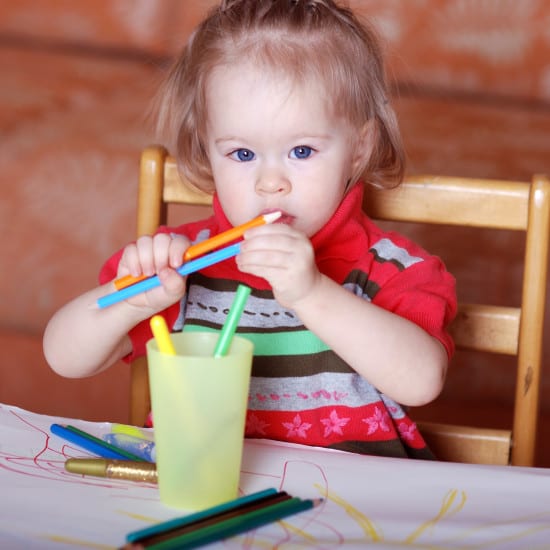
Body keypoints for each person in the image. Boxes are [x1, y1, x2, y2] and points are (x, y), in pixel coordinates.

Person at [43, 0, 456, 459]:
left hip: (350, 499)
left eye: (302, 151)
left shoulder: (393, 269)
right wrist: (133, 301)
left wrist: (312, 293)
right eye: (242, 154)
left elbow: (421, 382)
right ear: (207, 151)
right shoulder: (186, 266)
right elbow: (64, 358)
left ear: (359, 149)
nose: (270, 182)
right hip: (208, 487)